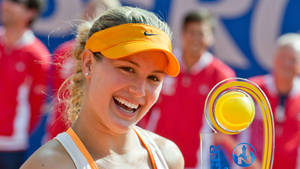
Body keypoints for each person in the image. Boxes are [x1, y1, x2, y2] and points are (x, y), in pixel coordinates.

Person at [21, 6, 184, 169]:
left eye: (154, 78)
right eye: (128, 69)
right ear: (88, 64)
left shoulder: (168, 157)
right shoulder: (49, 165)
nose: (140, 90)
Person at [139, 10, 236, 168]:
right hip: (153, 156)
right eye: (191, 33)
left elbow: (226, 128)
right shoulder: (164, 64)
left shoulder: (222, 76)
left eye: (201, 34)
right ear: (183, 34)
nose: (196, 39)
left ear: (211, 38)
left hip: (195, 162)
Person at [45, 0, 121, 140]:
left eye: (102, 10)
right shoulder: (63, 51)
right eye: (90, 8)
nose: (93, 14)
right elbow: (55, 93)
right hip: (57, 136)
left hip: (91, 141)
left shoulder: (113, 59)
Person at [0, 0, 50, 168]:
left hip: (11, 147)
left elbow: (36, 106)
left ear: (31, 12)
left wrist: (15, 132)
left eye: (15, 2)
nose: (6, 5)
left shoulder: (37, 55)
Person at [249, 33, 300, 169]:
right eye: (282, 57)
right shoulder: (252, 90)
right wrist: (248, 161)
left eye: (293, 59)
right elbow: (224, 135)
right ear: (274, 59)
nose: (286, 64)